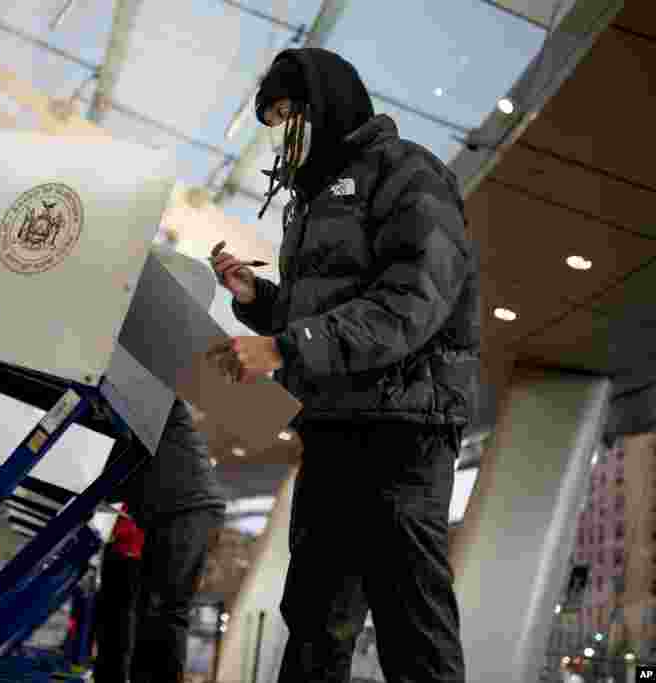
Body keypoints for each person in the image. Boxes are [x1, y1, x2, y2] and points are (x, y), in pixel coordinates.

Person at [208, 48, 478, 683]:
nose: (283, 130)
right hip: (332, 428)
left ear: (325, 103)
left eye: (288, 112)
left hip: (404, 430)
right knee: (314, 619)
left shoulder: (408, 174)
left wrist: (285, 346)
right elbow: (326, 309)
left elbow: (412, 302)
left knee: (410, 624)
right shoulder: (310, 200)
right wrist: (259, 301)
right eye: (273, 118)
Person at [98, 398, 226, 683]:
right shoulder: (129, 402)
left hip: (190, 507)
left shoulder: (146, 393)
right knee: (150, 611)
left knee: (164, 610)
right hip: (173, 509)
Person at [92, 503, 145, 682]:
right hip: (125, 561)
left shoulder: (141, 498)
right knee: (114, 626)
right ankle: (110, 673)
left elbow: (120, 530)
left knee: (116, 626)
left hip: (125, 563)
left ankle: (112, 674)